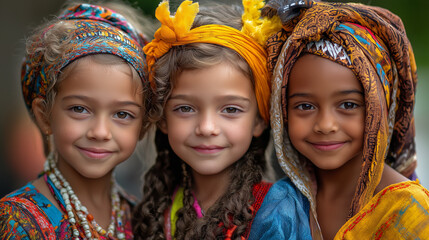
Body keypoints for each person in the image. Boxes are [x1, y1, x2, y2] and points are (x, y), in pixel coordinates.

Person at [249, 0, 429, 239]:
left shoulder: (408, 211)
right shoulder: (280, 203)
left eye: (347, 105)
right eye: (304, 106)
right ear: (281, 112)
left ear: (379, 110)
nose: (325, 125)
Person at [0, 2, 151, 239]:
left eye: (122, 114)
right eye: (80, 109)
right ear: (44, 115)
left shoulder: (140, 217)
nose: (100, 132)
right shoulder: (19, 221)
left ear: (143, 126)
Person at [132, 0, 282, 239]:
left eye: (231, 110)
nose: (207, 128)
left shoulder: (276, 212)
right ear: (162, 118)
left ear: (259, 120)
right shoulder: (158, 209)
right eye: (185, 108)